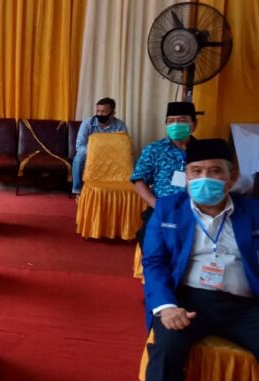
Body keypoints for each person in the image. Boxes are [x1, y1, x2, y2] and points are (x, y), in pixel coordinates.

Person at [142, 138, 259, 381]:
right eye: (196, 171)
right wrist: (166, 307)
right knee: (166, 349)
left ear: (232, 177)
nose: (204, 178)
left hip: (245, 306)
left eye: (215, 171)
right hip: (186, 301)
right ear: (186, 177)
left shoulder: (253, 212)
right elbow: (154, 262)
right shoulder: (168, 209)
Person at [133, 102, 199, 248]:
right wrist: (158, 206)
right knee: (151, 241)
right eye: (170, 121)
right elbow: (138, 180)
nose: (175, 125)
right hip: (161, 207)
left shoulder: (204, 151)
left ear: (194, 124)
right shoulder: (154, 149)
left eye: (181, 120)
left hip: (196, 209)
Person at [72, 97, 128, 194]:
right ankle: (77, 191)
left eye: (104, 112)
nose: (100, 114)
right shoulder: (87, 123)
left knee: (132, 160)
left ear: (112, 113)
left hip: (112, 156)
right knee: (79, 158)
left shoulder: (120, 125)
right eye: (98, 111)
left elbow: (124, 147)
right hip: (91, 155)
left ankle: (127, 191)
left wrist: (107, 154)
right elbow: (80, 146)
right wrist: (96, 153)